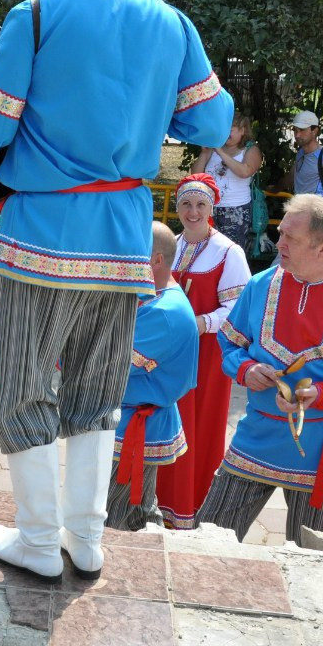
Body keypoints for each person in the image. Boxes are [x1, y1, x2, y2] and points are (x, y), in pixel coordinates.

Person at [0, 0, 233, 581]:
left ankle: (38, 541)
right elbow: (211, 126)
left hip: (41, 236)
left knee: (19, 389)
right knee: (99, 392)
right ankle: (85, 539)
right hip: (126, 242)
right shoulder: (172, 22)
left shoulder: (34, 15)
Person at [198, 195, 323, 546]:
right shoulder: (261, 285)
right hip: (256, 438)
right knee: (209, 539)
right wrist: (245, 368)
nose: (279, 244)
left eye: (290, 238)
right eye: (281, 233)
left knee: (311, 559)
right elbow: (230, 344)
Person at [154, 174, 251, 530]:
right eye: (185, 204)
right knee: (165, 422)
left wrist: (200, 322)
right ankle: (159, 502)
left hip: (207, 356)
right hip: (168, 353)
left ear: (213, 207)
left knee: (199, 427)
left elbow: (239, 309)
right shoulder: (171, 244)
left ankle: (190, 509)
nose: (193, 212)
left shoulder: (229, 251)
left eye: (200, 205)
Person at [107, 222, 198, 530]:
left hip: (136, 426)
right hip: (133, 421)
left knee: (114, 515)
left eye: (134, 254)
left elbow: (111, 363)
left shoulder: (164, 310)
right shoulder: (154, 296)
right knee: (138, 510)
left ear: (156, 260)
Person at [191, 112, 262, 250]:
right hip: (209, 208)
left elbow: (244, 172)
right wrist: (204, 153)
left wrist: (221, 153)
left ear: (242, 131)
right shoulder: (213, 148)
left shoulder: (250, 150)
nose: (225, 133)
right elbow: (195, 175)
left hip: (236, 210)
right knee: (205, 249)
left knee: (229, 251)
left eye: (230, 129)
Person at [288, 110, 323, 201]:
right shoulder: (301, 152)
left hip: (317, 212)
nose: (297, 135)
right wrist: (275, 189)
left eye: (302, 130)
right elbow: (291, 177)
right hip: (298, 210)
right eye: (295, 130)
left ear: (315, 131)